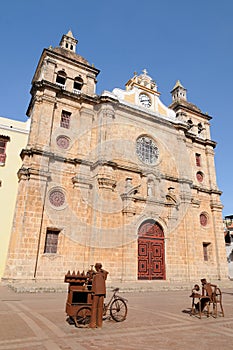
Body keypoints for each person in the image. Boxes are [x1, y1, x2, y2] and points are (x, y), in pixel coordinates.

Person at [89, 263, 108, 328]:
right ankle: (99, 324)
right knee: (100, 308)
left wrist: (92, 273)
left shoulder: (95, 275)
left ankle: (93, 324)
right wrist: (100, 270)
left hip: (96, 292)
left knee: (94, 308)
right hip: (102, 292)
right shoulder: (103, 274)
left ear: (96, 267)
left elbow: (89, 280)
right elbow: (106, 272)